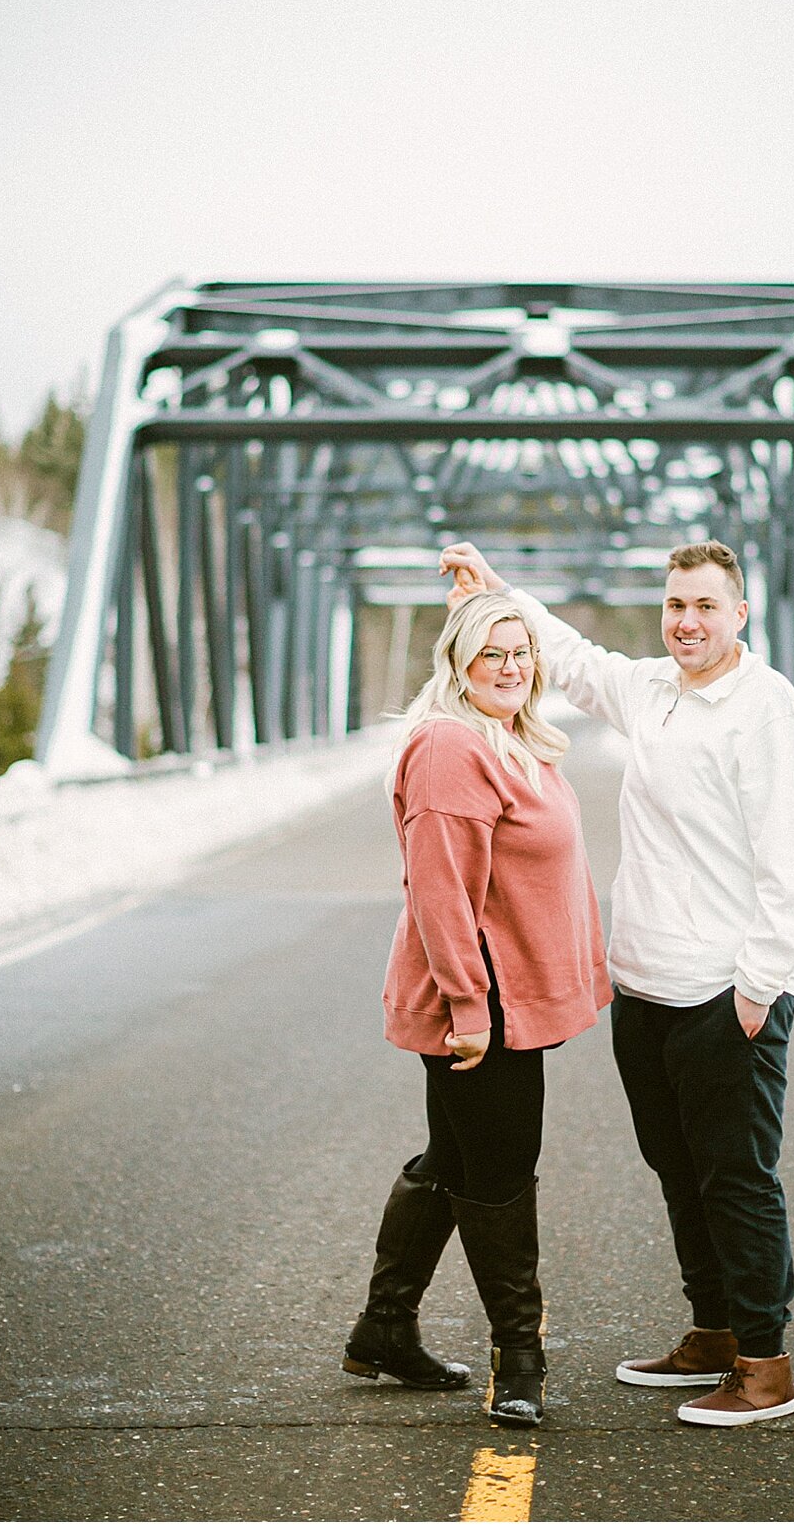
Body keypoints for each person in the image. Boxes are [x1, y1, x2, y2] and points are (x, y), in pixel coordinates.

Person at [440, 539, 794, 1429]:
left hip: (724, 992)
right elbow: (573, 661)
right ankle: (714, 1330)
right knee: (677, 1167)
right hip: (646, 987)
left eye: (704, 606)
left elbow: (790, 866)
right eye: (674, 606)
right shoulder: (654, 689)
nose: (686, 622)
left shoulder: (770, 716)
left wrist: (760, 987)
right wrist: (502, 594)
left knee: (736, 1177)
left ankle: (766, 1364)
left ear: (740, 614)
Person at [343, 589, 612, 1427]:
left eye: (521, 652)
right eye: (492, 653)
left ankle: (383, 1329)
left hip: (502, 994)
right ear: (458, 662)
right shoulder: (454, 746)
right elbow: (441, 890)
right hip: (480, 1001)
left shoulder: (511, 739)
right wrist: (468, 1005)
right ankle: (520, 1357)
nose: (510, 667)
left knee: (456, 1161)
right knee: (498, 1170)